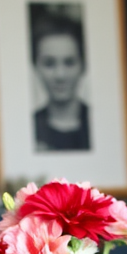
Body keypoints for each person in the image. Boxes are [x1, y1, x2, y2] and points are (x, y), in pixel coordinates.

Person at [32, 13, 90, 152]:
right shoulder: (28, 126)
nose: (60, 75)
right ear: (36, 67)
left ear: (83, 66)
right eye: (49, 63)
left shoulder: (100, 122)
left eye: (69, 63)